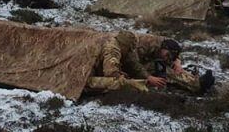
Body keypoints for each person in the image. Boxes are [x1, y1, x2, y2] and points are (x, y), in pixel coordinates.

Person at [85, 31, 214, 95]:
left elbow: (173, 47)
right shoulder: (136, 46)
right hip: (129, 69)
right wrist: (148, 77)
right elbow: (133, 66)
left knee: (167, 68)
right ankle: (196, 84)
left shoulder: (161, 42)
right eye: (167, 55)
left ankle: (194, 81)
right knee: (160, 70)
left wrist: (177, 62)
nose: (168, 58)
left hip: (129, 67)